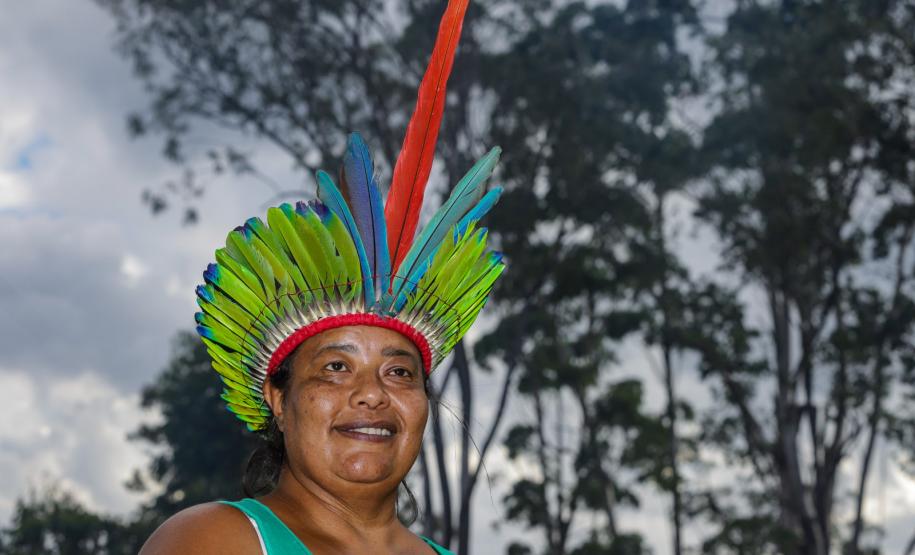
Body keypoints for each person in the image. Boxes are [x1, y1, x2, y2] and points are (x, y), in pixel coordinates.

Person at [139, 0, 505, 553]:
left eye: (400, 373)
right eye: (336, 367)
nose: (373, 394)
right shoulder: (217, 538)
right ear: (278, 400)